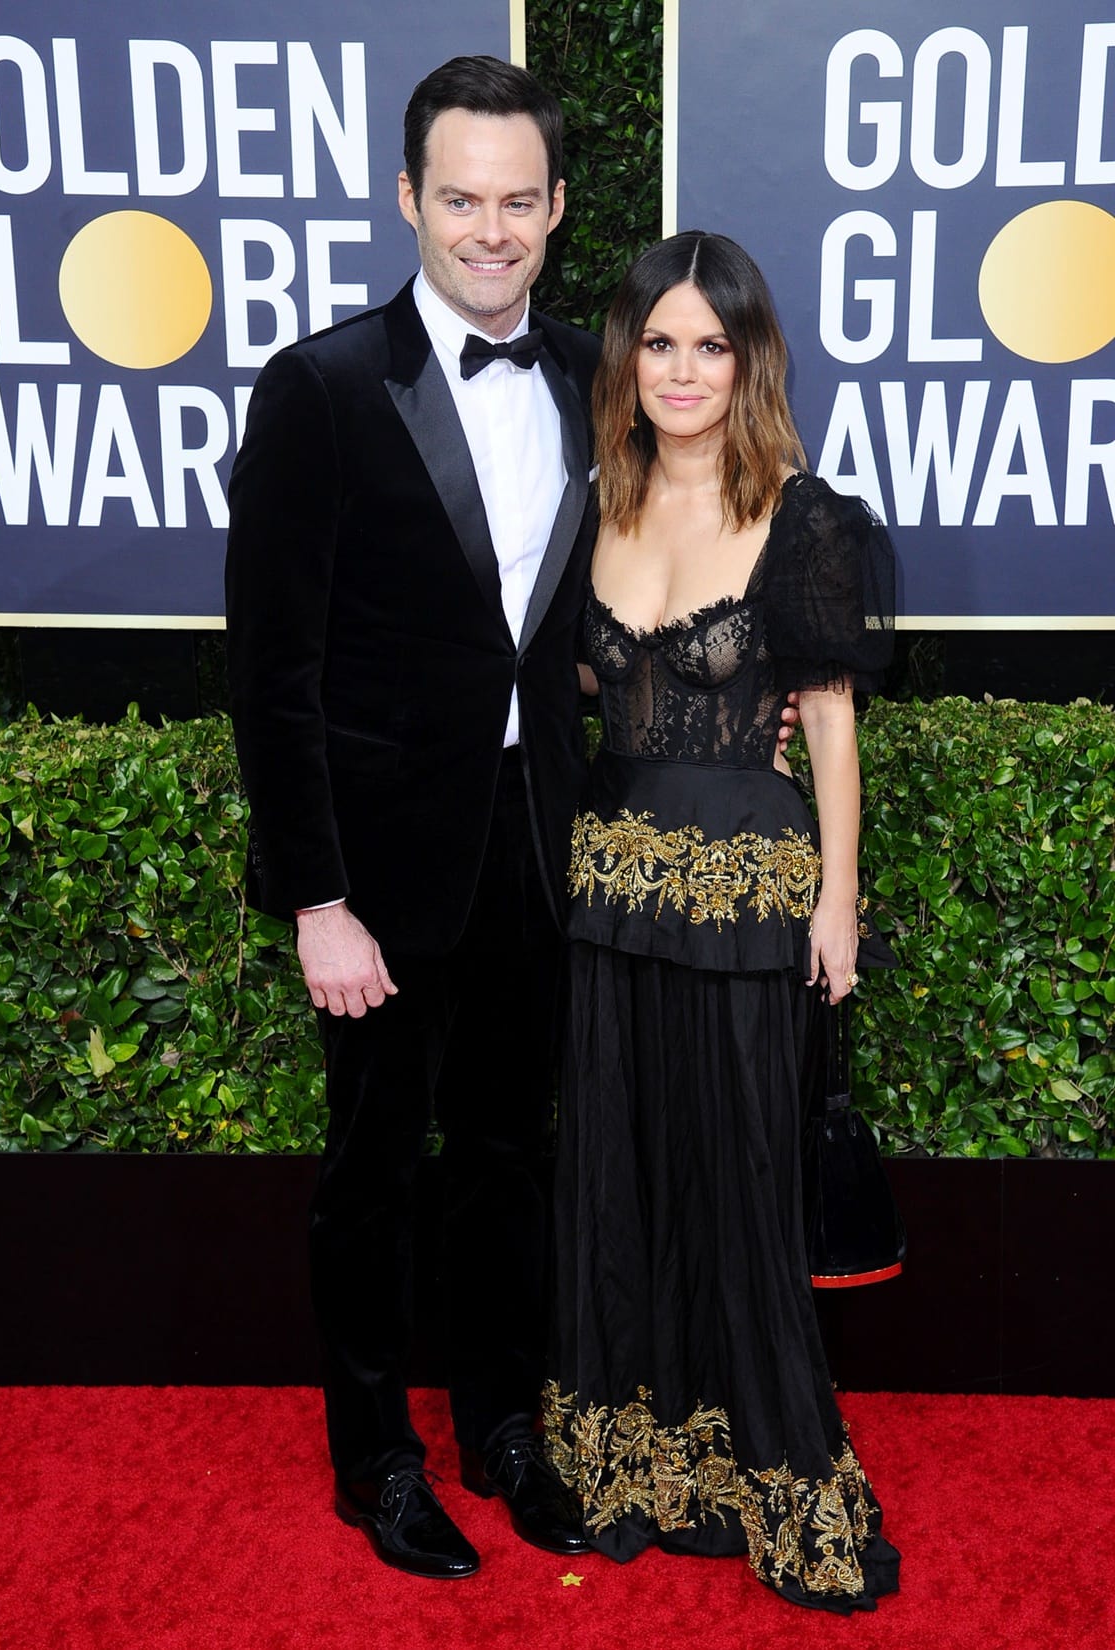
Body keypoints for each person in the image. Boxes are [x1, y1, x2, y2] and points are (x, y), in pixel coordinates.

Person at [223, 56, 600, 1580]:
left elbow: (588, 617)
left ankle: (504, 1420)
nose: (490, 229)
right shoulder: (317, 388)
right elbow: (272, 669)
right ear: (407, 200)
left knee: (511, 1147)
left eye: (519, 200)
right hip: (379, 870)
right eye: (460, 198)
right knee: (374, 1163)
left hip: (538, 839)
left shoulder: (595, 374)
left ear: (559, 207)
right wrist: (317, 897)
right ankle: (376, 1454)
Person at [542, 232, 901, 1612]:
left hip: (747, 893)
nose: (683, 370)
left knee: (741, 1182)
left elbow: (827, 720)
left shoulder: (806, 518)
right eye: (659, 341)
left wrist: (839, 898)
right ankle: (641, 1466)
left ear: (746, 360)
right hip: (608, 892)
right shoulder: (596, 503)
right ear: (626, 356)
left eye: (711, 343)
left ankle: (777, 1471)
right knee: (621, 1177)